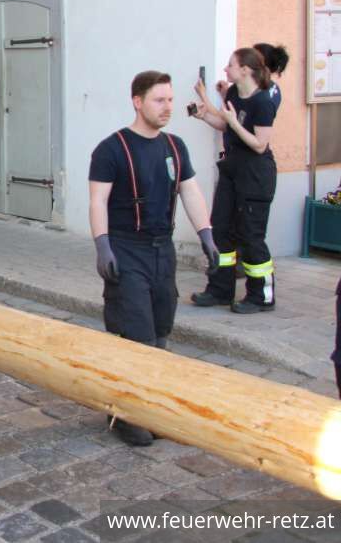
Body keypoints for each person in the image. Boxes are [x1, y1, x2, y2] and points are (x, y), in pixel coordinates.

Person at [88, 70, 216, 447]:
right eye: (160, 100)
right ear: (138, 101)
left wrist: (207, 234)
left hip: (163, 251)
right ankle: (124, 413)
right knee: (135, 335)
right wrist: (102, 245)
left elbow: (190, 193)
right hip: (127, 250)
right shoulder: (111, 149)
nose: (168, 107)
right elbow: (98, 200)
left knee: (161, 333)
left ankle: (151, 406)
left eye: (171, 100)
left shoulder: (175, 147)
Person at [192, 48, 278, 313]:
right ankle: (220, 289)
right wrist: (204, 115)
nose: (226, 70)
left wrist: (232, 121)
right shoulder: (231, 94)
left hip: (255, 175)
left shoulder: (263, 102)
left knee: (250, 235)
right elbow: (225, 126)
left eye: (230, 65)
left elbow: (260, 145)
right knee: (220, 229)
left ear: (245, 70)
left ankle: (261, 296)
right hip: (231, 170)